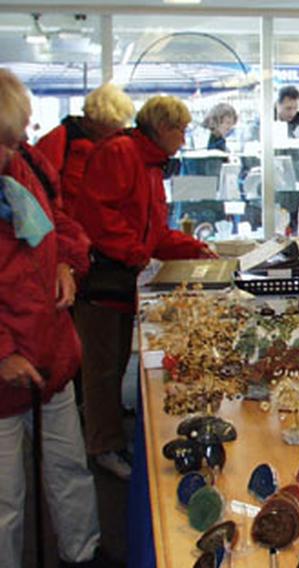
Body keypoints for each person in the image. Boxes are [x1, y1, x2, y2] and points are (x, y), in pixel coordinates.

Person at [0, 69, 115, 568]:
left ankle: (82, 553)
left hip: (52, 352)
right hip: (8, 369)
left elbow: (61, 223)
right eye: (4, 141)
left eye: (16, 136)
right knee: (5, 498)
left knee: (70, 467)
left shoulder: (27, 165)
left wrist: (68, 262)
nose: (16, 148)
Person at [72, 95, 215, 480]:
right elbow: (97, 214)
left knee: (114, 365)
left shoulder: (149, 163)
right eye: (181, 130)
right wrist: (135, 253)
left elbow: (153, 230)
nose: (184, 139)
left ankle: (110, 437)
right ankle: (103, 446)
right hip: (105, 280)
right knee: (103, 369)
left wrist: (191, 246)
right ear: (163, 128)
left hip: (122, 279)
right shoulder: (122, 153)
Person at [35, 82, 134, 215]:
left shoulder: (118, 145)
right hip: (66, 224)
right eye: (108, 127)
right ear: (92, 119)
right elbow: (40, 187)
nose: (111, 135)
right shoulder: (59, 140)